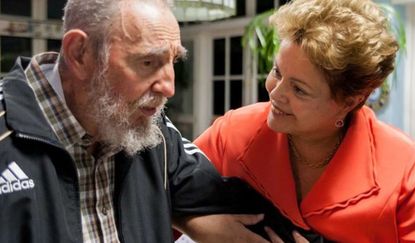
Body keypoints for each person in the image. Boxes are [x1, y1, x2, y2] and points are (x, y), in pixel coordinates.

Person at [0, 0, 278, 242]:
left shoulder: (151, 132)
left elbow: (227, 202)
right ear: (79, 53)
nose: (169, 88)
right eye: (147, 62)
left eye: (173, 61)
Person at [194, 0, 415, 242]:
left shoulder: (402, 168)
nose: (274, 93)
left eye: (299, 89)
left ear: (348, 102)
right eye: (277, 72)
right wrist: (203, 227)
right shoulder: (233, 131)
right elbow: (164, 200)